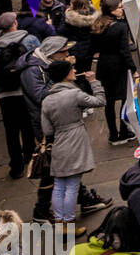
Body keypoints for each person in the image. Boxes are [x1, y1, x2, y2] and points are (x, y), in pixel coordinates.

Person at [42, 61, 105, 234]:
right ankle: (68, 224)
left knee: (59, 184)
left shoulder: (47, 100)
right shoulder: (74, 94)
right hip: (76, 139)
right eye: (72, 69)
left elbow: (47, 130)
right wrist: (94, 82)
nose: (75, 70)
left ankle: (60, 222)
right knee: (72, 185)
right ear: (65, 74)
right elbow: (100, 101)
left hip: (59, 142)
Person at [81, 0, 136, 146]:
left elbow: (90, 51)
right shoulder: (121, 27)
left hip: (104, 67)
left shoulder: (97, 26)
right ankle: (125, 132)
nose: (121, 10)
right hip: (119, 66)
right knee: (125, 99)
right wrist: (133, 69)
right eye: (119, 8)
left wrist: (86, 69)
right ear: (111, 10)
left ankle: (113, 134)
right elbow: (125, 51)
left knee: (109, 103)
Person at [0, 16, 38, 179]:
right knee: (27, 125)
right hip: (25, 88)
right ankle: (30, 155)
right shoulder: (29, 39)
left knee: (11, 130)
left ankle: (16, 166)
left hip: (6, 93)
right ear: (15, 23)